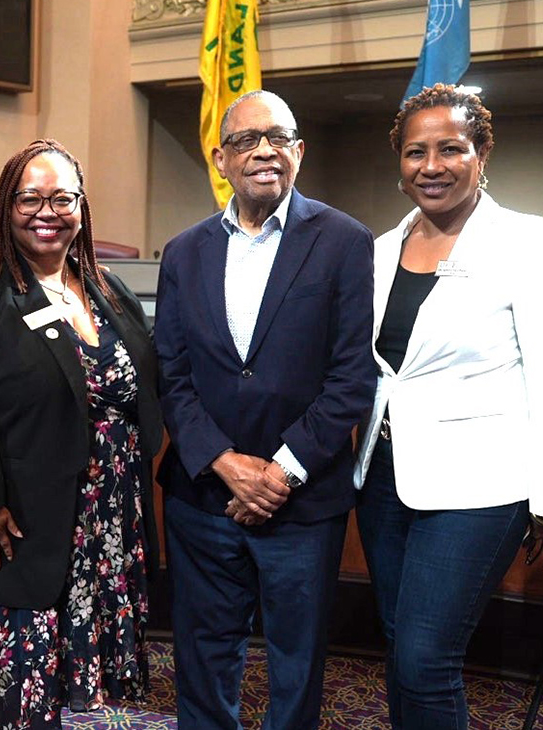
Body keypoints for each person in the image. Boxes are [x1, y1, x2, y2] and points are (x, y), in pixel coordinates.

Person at [0, 139, 163, 729]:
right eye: (30, 198)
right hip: (14, 517)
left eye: (61, 198)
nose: (47, 212)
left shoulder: (108, 290)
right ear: (6, 206)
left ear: (82, 207)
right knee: (7, 685)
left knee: (62, 687)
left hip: (101, 520)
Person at [352, 83, 543, 730]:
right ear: (399, 162)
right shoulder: (376, 252)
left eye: (451, 149)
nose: (432, 166)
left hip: (482, 485)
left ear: (481, 154)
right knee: (402, 651)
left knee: (427, 658)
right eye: (415, 152)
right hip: (385, 478)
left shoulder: (525, 241)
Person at [153, 90, 377, 730]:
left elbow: (351, 376)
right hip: (203, 498)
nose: (264, 150)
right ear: (221, 159)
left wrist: (279, 473)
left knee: (297, 663)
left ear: (299, 152)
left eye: (279, 137)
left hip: (301, 502)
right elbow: (172, 373)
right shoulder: (184, 251)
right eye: (248, 140)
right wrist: (225, 464)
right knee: (202, 656)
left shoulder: (344, 241)